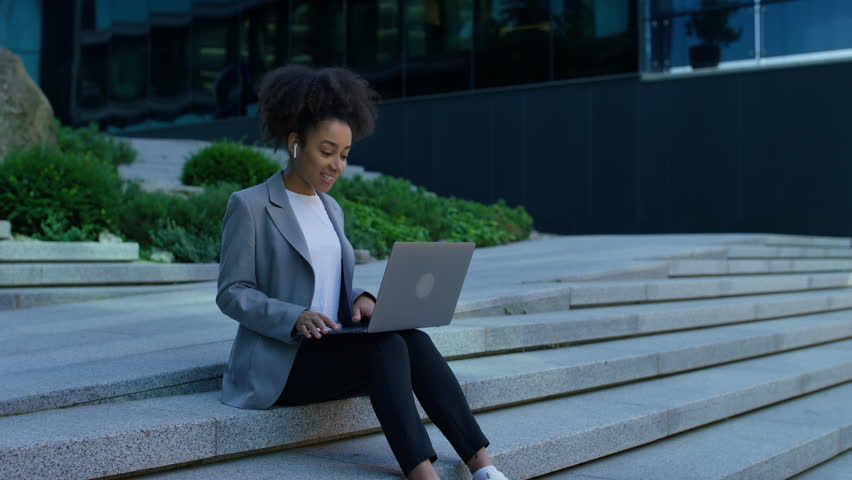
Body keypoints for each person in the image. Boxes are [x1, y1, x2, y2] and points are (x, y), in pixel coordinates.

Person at [215, 64, 509, 480]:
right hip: (284, 360)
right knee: (385, 348)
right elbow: (232, 292)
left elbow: (332, 282)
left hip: (333, 345)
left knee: (412, 338)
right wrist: (293, 316)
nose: (337, 165)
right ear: (296, 144)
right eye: (327, 151)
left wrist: (359, 299)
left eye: (345, 155)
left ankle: (483, 466)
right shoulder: (251, 205)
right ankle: (423, 473)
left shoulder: (330, 208)